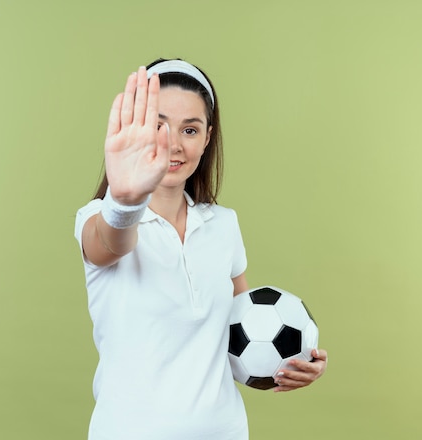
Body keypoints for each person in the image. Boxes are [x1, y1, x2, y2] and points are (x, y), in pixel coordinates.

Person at [74, 58, 328, 440]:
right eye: (157, 125)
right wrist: (124, 201)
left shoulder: (222, 224)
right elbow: (107, 244)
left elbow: (243, 332)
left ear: (207, 138)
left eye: (189, 129)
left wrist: (296, 361)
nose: (173, 144)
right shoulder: (101, 217)